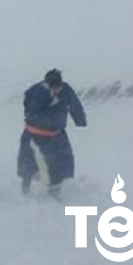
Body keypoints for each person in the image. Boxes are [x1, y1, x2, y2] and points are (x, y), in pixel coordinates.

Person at [17, 69, 87, 197]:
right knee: (29, 164)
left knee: (62, 163)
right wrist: (55, 107)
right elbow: (32, 115)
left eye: (58, 87)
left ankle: (54, 191)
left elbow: (74, 104)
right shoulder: (38, 93)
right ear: (47, 84)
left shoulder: (65, 89)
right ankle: (25, 187)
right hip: (35, 135)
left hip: (57, 135)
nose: (57, 90)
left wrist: (80, 119)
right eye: (54, 88)